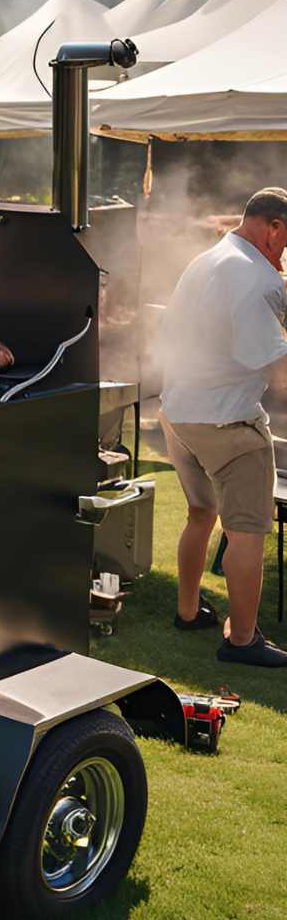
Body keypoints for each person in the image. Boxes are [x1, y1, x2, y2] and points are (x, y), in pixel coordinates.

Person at [158, 187, 287, 669]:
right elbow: (279, 371)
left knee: (200, 511)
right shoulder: (255, 279)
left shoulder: (212, 258)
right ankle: (243, 640)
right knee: (247, 532)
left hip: (179, 412)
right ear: (272, 227)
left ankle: (188, 612)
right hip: (227, 421)